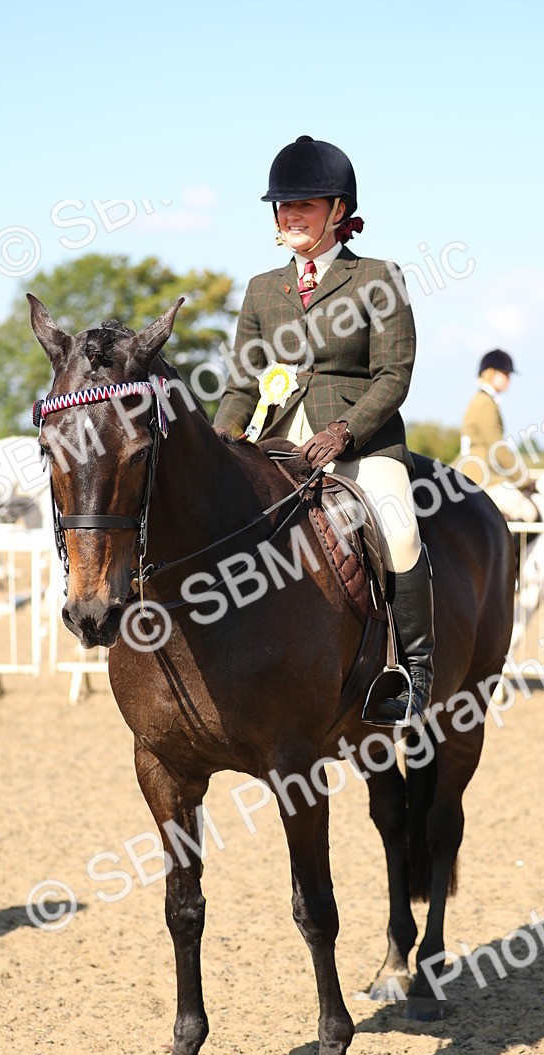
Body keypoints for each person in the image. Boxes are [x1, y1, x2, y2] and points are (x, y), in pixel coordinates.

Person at [213, 135, 433, 726]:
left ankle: (411, 674)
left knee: (399, 531)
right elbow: (241, 383)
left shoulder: (377, 277)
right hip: (277, 439)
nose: (289, 216)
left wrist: (343, 432)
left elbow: (394, 374)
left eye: (304, 205)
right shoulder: (262, 288)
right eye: (282, 207)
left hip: (360, 442)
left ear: (338, 211)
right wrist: (221, 446)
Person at [454, 349, 538, 522]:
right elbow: (498, 450)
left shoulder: (482, 400)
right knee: (528, 512)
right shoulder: (485, 404)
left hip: (478, 472)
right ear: (490, 373)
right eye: (505, 374)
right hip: (481, 476)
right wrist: (524, 480)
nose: (509, 379)